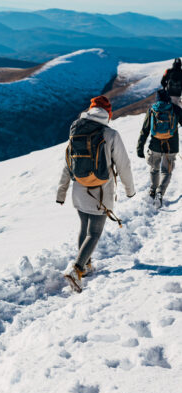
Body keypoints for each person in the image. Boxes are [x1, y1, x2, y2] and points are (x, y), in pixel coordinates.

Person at [56, 95, 135, 293]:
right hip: (101, 191)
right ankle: (77, 268)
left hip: (80, 188)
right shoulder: (111, 134)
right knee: (95, 233)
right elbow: (123, 165)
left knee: (84, 227)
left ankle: (87, 265)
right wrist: (130, 190)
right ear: (108, 113)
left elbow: (69, 161)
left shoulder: (76, 130)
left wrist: (61, 191)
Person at [137, 88, 182, 207]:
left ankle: (152, 190)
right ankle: (160, 193)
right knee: (166, 171)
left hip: (155, 146)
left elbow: (144, 130)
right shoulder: (175, 109)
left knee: (154, 169)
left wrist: (139, 148)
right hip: (171, 147)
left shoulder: (152, 110)